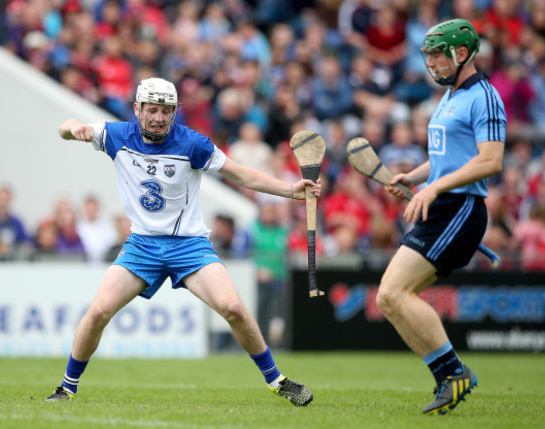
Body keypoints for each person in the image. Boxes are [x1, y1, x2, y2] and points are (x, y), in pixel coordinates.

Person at [45, 77, 321, 407]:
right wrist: (76, 128)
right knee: (98, 312)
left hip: (189, 245)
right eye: (152, 110)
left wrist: (291, 190)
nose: (159, 117)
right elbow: (64, 126)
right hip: (142, 245)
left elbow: (240, 174)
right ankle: (67, 387)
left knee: (233, 308)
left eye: (166, 110)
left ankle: (277, 380)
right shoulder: (116, 135)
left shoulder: (193, 144)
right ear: (138, 109)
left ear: (175, 112)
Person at [380, 19, 506, 415]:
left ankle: (454, 373)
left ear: (462, 54)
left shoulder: (483, 96)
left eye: (438, 54)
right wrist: (416, 177)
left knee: (394, 293)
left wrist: (434, 188)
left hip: (461, 207)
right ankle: (450, 374)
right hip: (443, 205)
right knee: (389, 297)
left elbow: (491, 160)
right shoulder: (449, 96)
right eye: (429, 55)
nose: (431, 63)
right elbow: (444, 157)